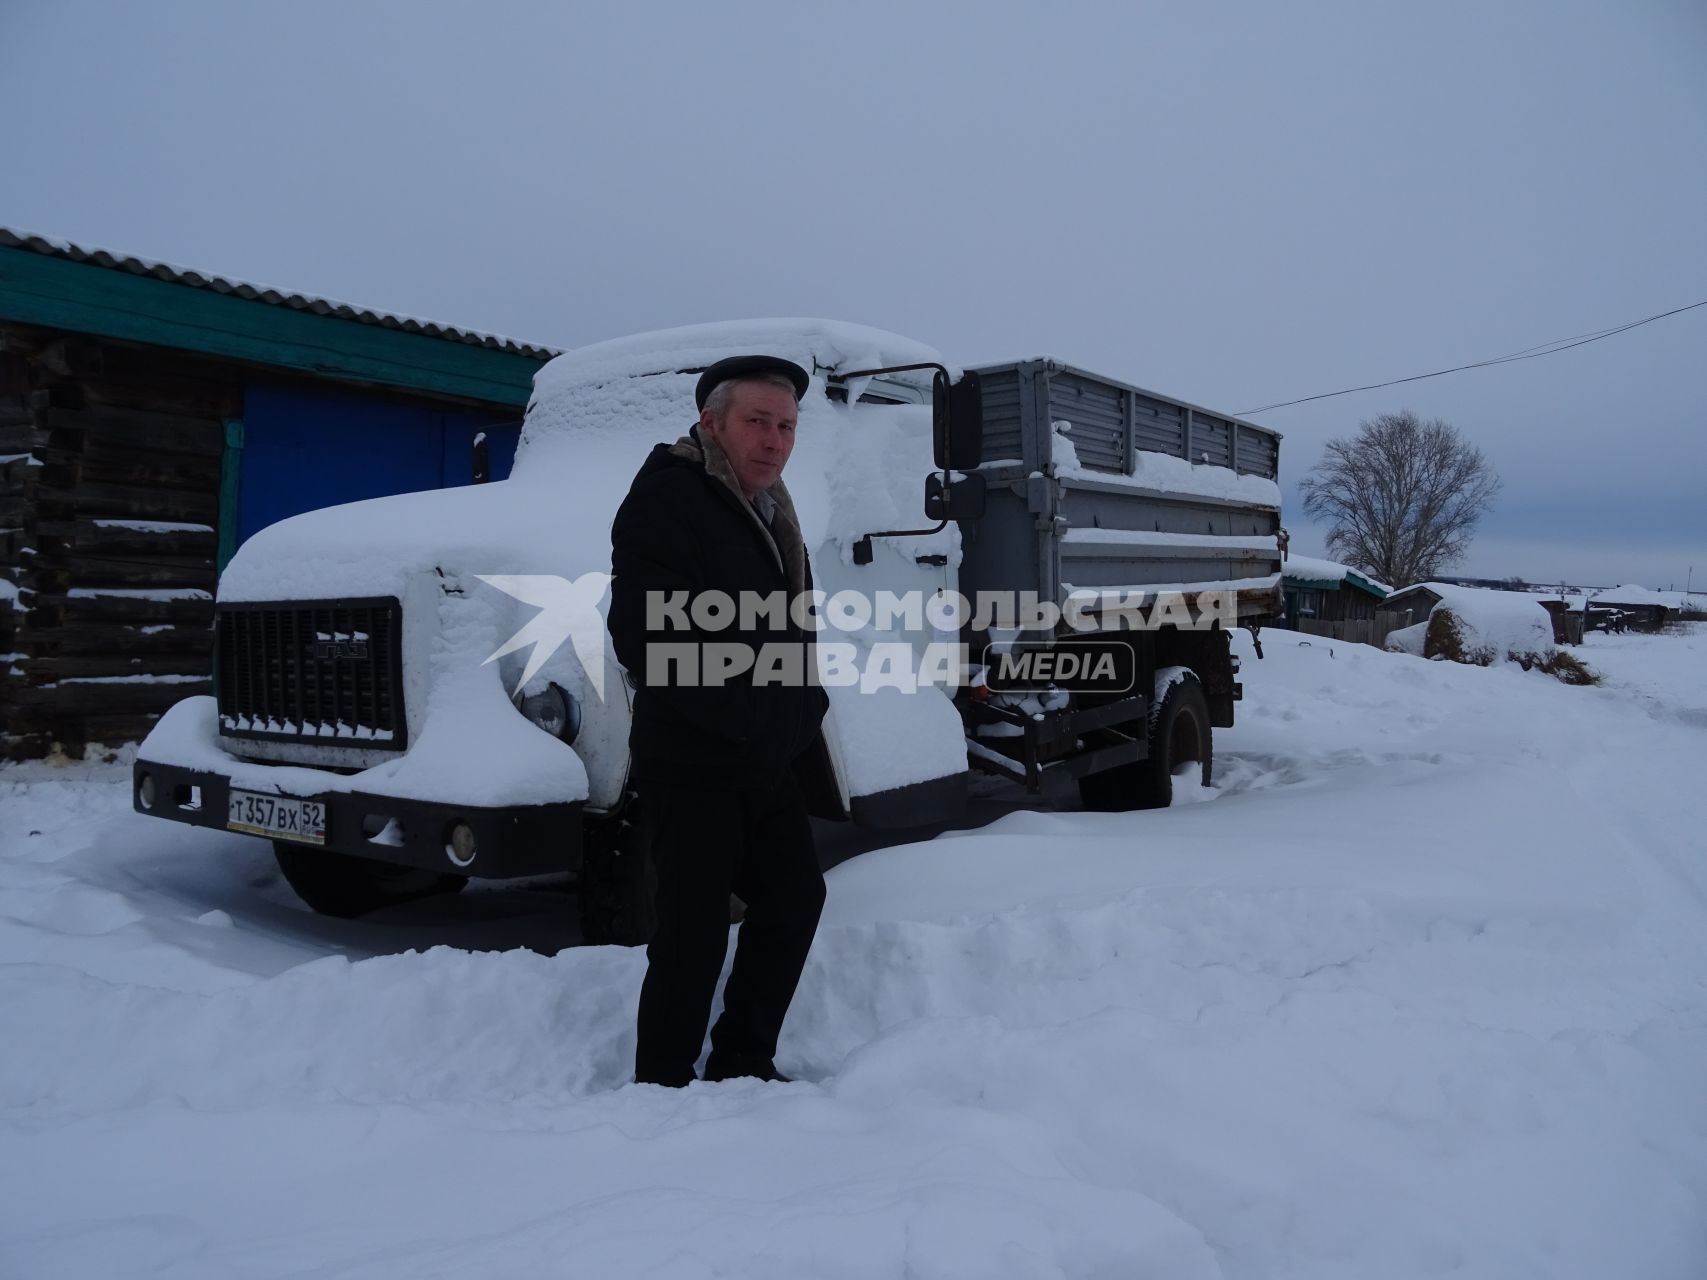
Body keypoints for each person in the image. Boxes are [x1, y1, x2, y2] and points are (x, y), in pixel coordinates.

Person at [607, 354, 830, 1087]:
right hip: (696, 758)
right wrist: (744, 718)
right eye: (757, 423)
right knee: (691, 931)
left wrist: (804, 708)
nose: (774, 440)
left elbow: (790, 628)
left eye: (787, 426)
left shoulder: (769, 507)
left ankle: (742, 1060)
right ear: (710, 423)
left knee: (795, 899)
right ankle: (661, 1080)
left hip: (762, 756)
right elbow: (645, 637)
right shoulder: (668, 500)